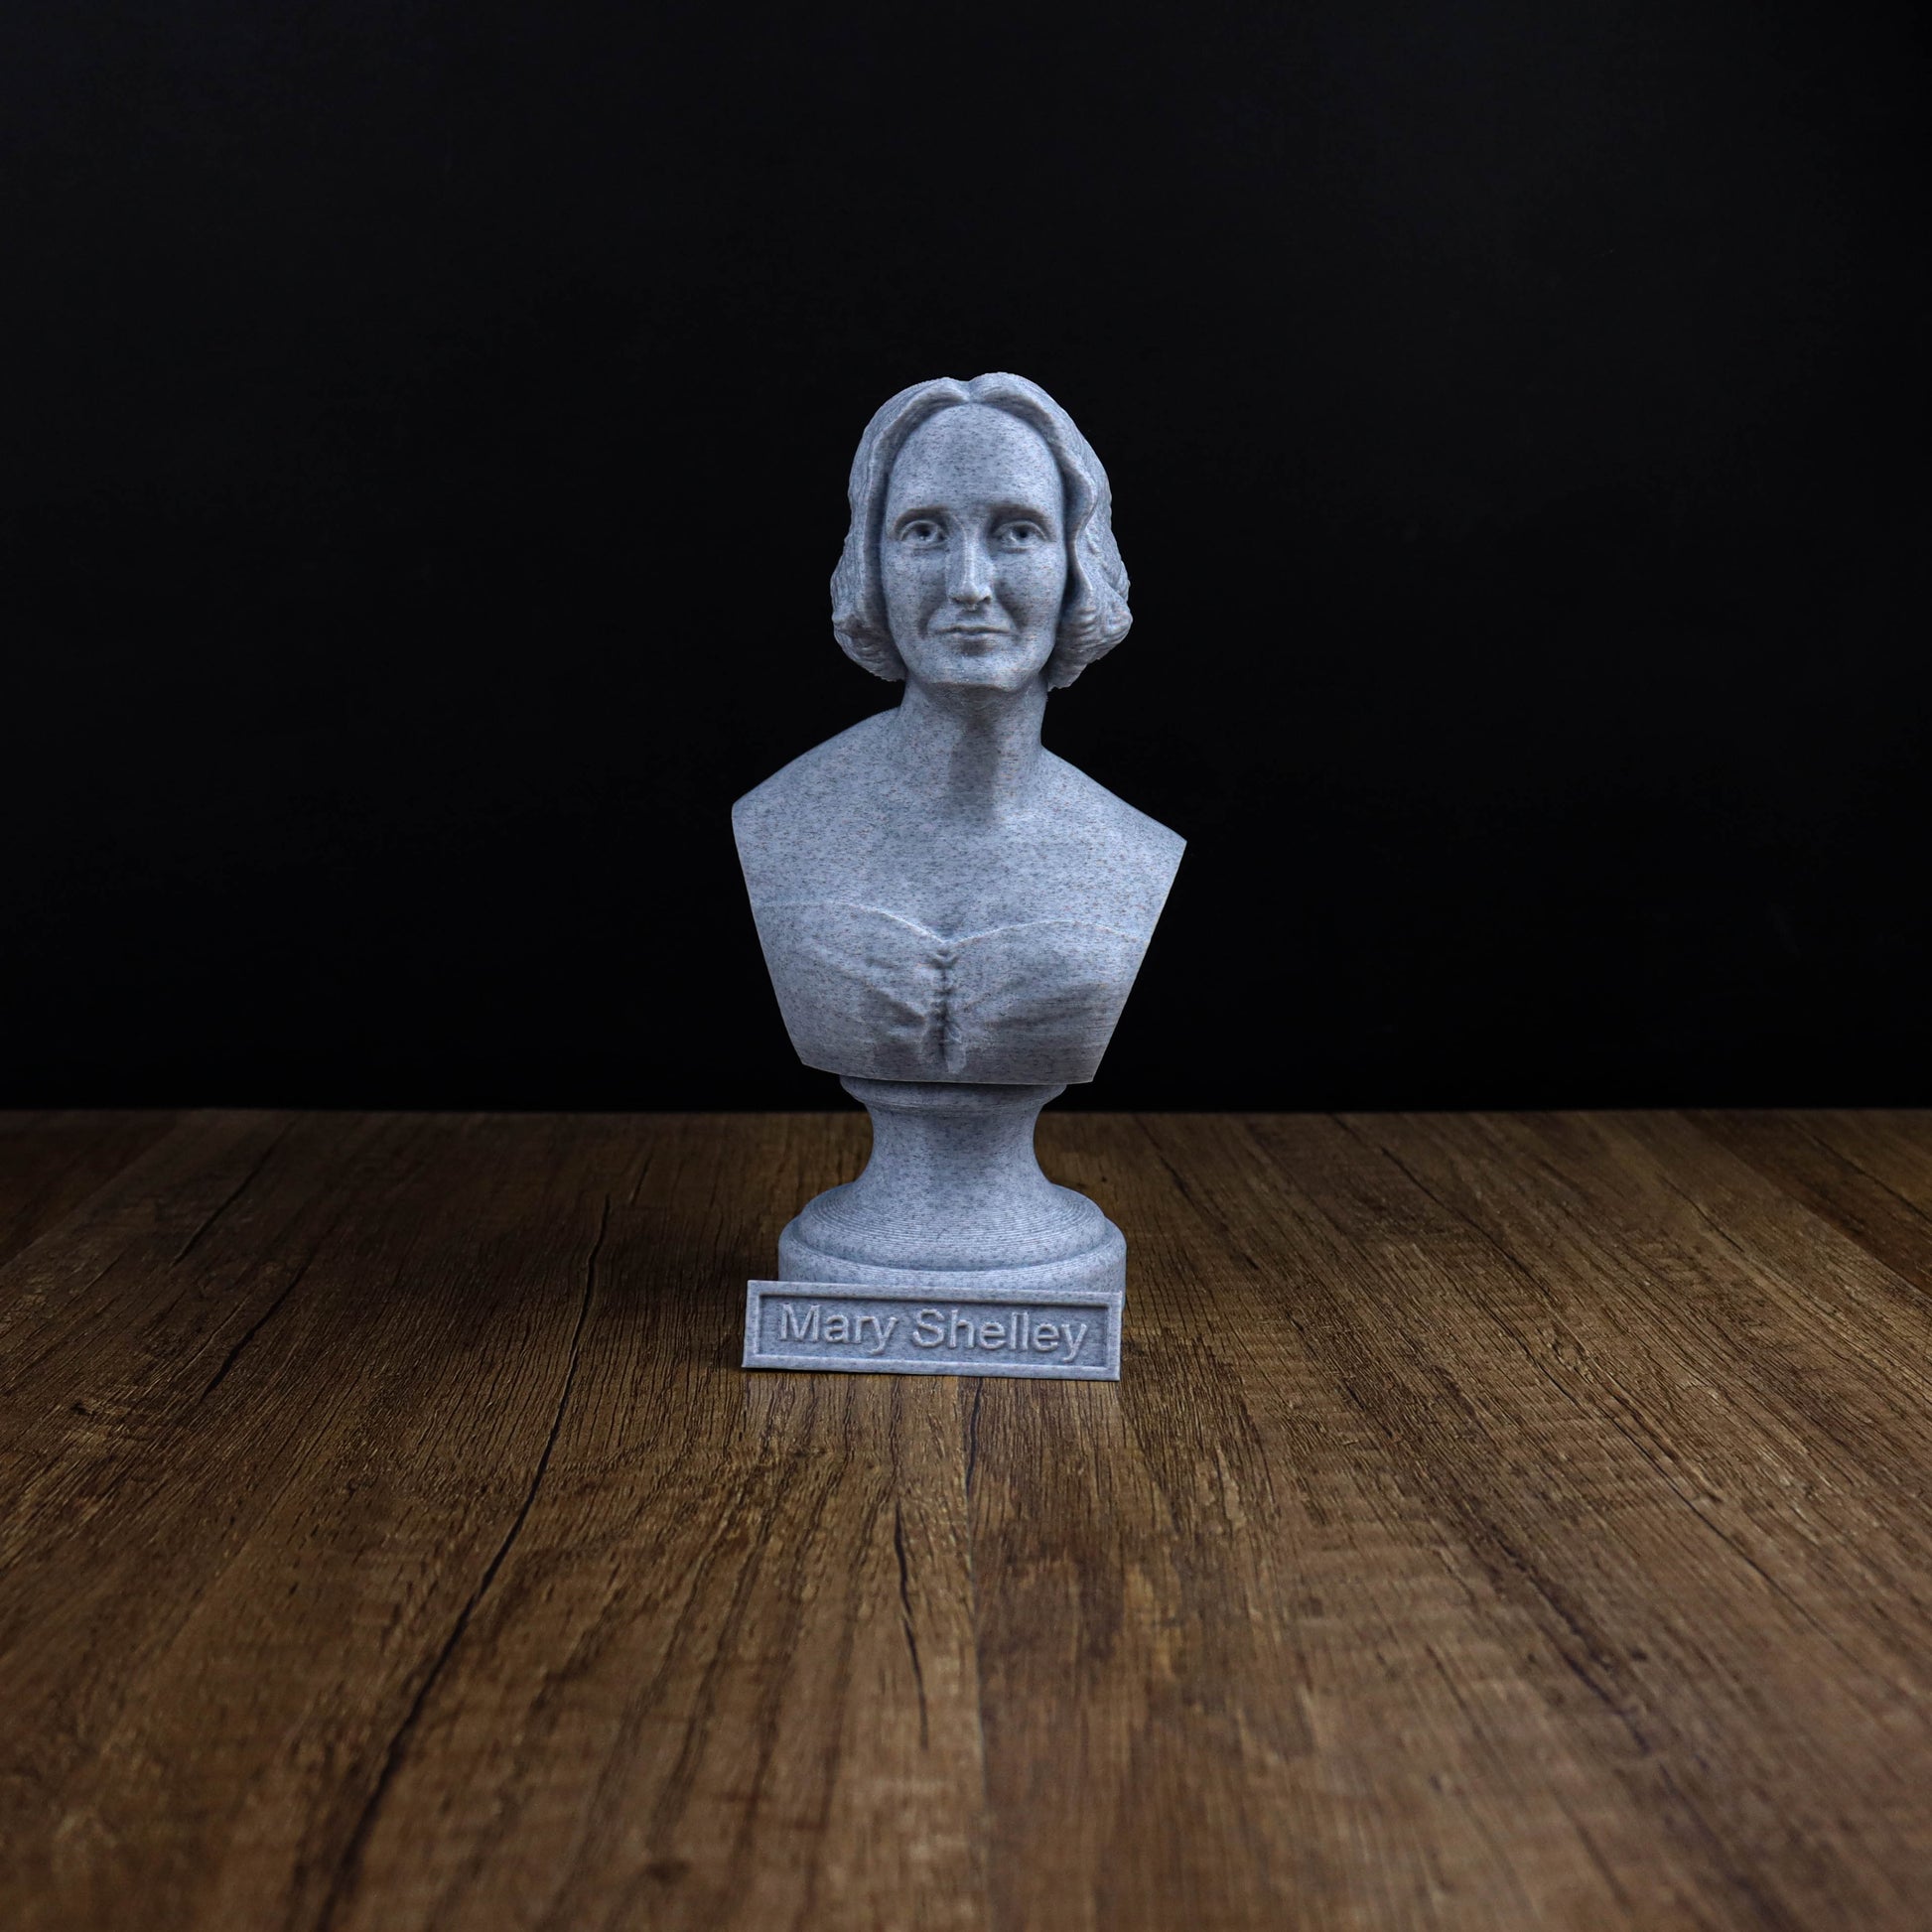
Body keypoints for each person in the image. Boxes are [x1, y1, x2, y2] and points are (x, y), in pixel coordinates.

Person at [734, 372, 1183, 1087]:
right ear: (872, 565)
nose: (969, 583)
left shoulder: (1131, 850)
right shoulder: (779, 821)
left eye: (1016, 533)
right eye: (924, 532)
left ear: (1078, 564)